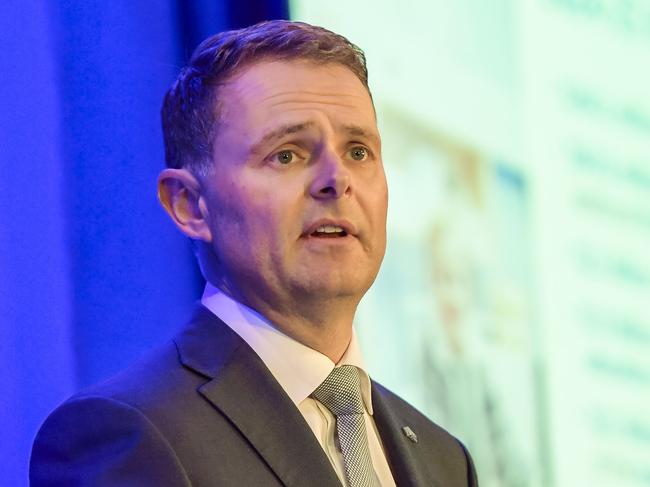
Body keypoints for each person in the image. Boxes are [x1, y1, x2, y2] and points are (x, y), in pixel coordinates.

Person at [30, 20, 478, 486]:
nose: (337, 179)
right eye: (287, 154)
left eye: (359, 152)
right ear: (190, 205)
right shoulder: (128, 432)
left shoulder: (444, 459)